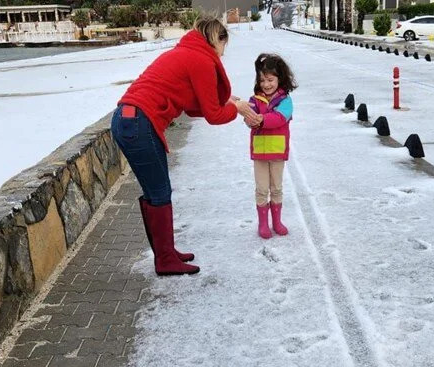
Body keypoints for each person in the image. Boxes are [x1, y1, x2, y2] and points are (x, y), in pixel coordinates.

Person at [112, 17, 257, 276]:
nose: (224, 53)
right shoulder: (200, 59)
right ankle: (165, 260)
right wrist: (236, 108)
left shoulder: (186, 52)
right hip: (138, 123)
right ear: (217, 39)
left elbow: (193, 108)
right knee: (159, 192)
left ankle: (165, 253)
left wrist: (230, 103)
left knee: (156, 191)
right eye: (224, 46)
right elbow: (214, 115)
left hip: (128, 119)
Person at [243, 53, 297, 239]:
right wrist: (250, 119)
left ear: (279, 79)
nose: (266, 84)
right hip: (259, 152)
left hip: (277, 152)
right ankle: (263, 224)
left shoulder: (285, 101)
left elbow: (280, 118)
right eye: (262, 80)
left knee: (276, 187)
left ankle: (277, 221)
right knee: (261, 189)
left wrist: (262, 119)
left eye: (270, 80)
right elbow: (249, 116)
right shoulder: (255, 99)